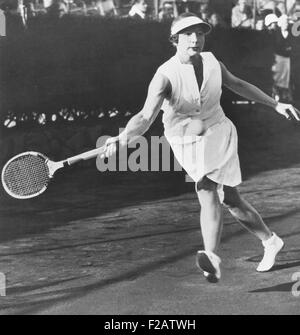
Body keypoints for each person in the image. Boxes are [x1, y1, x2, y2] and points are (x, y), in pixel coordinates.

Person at [101, 12, 300, 282]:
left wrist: (276, 104)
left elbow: (238, 84)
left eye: (200, 33)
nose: (195, 39)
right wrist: (122, 138)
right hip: (184, 139)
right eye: (187, 34)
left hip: (218, 130)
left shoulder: (212, 62)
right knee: (230, 199)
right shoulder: (165, 76)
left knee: (206, 187)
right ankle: (271, 241)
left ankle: (212, 257)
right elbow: (146, 117)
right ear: (175, 39)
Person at [272, 14, 294, 103]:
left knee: (286, 78)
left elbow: (293, 45)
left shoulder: (290, 34)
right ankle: (275, 94)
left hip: (287, 59)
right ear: (280, 24)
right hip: (277, 59)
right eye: (284, 22)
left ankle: (284, 96)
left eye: (287, 22)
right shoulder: (276, 33)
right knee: (277, 77)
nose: (286, 24)